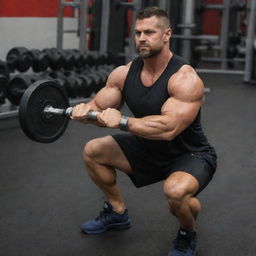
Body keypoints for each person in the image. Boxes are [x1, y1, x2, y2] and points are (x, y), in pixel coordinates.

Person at [72, 6, 217, 256]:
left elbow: (168, 129)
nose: (141, 38)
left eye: (149, 32)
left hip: (189, 153)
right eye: (138, 32)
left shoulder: (185, 78)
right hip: (147, 145)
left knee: (176, 193)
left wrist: (121, 121)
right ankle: (117, 211)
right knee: (94, 150)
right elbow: (100, 108)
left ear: (167, 34)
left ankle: (186, 232)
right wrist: (85, 112)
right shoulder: (123, 74)